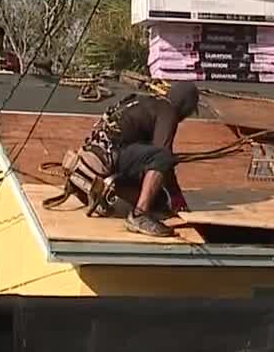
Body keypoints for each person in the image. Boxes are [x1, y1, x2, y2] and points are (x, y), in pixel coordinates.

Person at [83, 81, 199, 237]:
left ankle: (110, 189)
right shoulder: (168, 111)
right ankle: (139, 215)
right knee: (163, 157)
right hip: (112, 154)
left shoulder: (148, 101)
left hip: (96, 153)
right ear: (185, 106)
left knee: (159, 201)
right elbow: (163, 157)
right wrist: (176, 195)